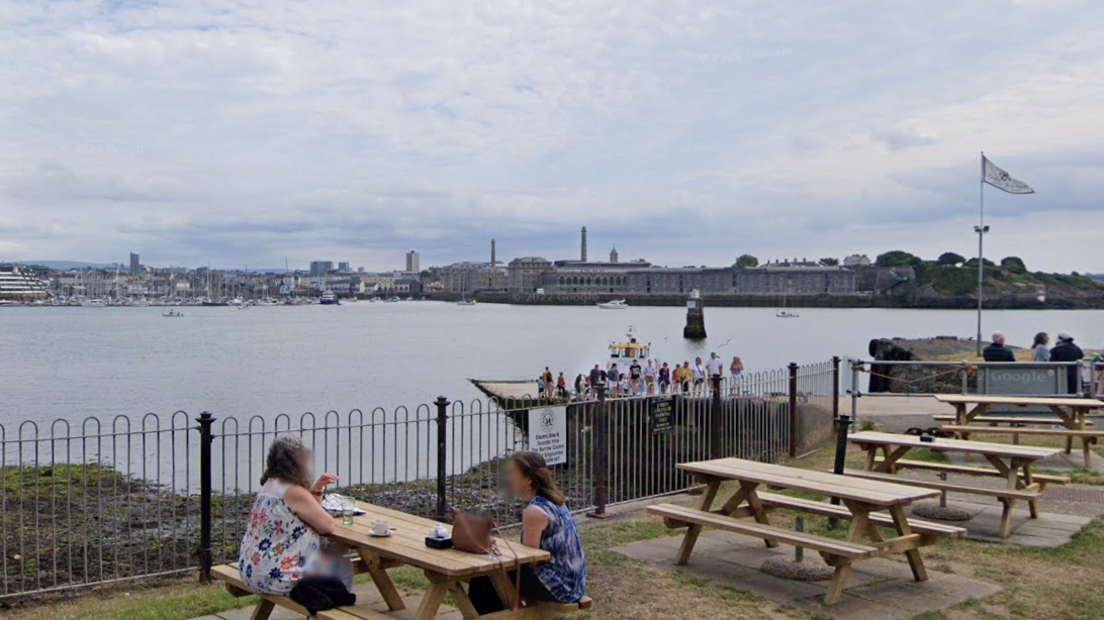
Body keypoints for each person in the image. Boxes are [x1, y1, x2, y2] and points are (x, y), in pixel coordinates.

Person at [468, 452, 586, 614]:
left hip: (558, 586)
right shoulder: (554, 500)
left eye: (512, 473)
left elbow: (529, 560)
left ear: (529, 480)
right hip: (573, 581)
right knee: (492, 575)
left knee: (484, 578)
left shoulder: (534, 511)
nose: (509, 478)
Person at [238, 436, 352, 596]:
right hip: (277, 576)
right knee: (343, 566)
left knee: (331, 563)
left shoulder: (270, 485)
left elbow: (308, 513)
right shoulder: (292, 491)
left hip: (252, 570)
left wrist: (317, 489)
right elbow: (327, 525)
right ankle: (338, 611)